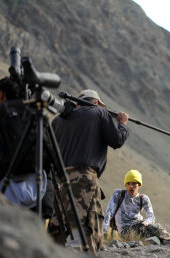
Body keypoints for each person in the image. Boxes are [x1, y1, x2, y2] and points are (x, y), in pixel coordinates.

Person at [48, 89, 129, 253]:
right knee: (79, 227)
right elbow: (117, 140)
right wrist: (122, 123)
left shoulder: (58, 120)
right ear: (97, 102)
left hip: (58, 182)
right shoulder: (99, 113)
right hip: (83, 180)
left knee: (58, 230)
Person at [0, 77, 54, 220]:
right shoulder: (35, 114)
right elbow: (51, 154)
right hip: (41, 192)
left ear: (1, 95)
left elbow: (4, 158)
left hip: (9, 192)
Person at [103, 169, 170, 245]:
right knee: (150, 233)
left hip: (140, 225)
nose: (131, 186)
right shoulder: (118, 194)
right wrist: (104, 232)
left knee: (157, 228)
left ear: (139, 185)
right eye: (128, 183)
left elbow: (151, 217)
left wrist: (145, 223)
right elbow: (109, 213)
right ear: (125, 184)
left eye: (134, 183)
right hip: (125, 231)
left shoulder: (143, 198)